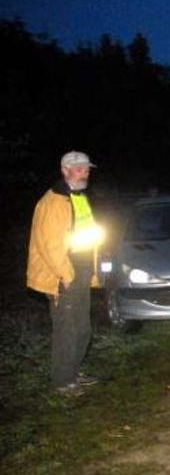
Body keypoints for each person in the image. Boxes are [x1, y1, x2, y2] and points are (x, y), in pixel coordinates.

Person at [27, 151, 103, 396]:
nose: (85, 172)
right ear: (65, 170)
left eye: (87, 168)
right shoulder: (52, 201)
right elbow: (48, 245)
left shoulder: (78, 197)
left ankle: (74, 372)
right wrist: (66, 275)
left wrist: (91, 271)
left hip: (81, 271)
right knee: (67, 329)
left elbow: (86, 236)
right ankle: (63, 381)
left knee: (82, 328)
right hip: (62, 275)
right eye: (79, 168)